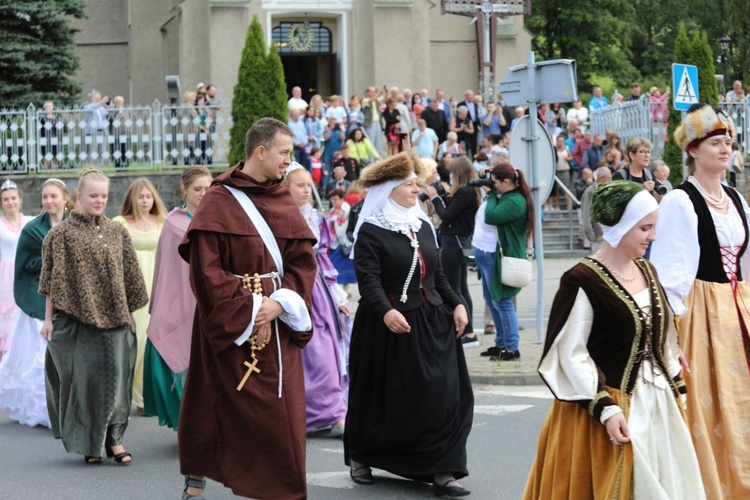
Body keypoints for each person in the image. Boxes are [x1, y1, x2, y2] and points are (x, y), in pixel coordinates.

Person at [524, 180, 704, 499]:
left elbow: (662, 336)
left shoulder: (647, 270)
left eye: (653, 227)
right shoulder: (581, 280)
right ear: (620, 227)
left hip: (658, 405)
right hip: (607, 409)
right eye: (645, 228)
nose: (653, 236)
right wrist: (605, 409)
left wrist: (678, 381)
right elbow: (569, 352)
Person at [177, 118, 317, 499]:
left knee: (280, 414)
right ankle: (197, 483)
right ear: (261, 151)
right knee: (217, 404)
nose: (289, 160)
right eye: (284, 152)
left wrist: (278, 304)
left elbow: (303, 263)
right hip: (230, 322)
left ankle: (281, 491)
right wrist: (254, 310)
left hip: (278, 324)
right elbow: (206, 271)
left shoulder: (281, 198)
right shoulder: (220, 201)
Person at [345, 152, 473, 497]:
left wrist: (457, 303)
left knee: (445, 394)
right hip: (387, 324)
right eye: (409, 183)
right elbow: (368, 279)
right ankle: (361, 455)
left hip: (432, 320)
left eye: (416, 182)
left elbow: (439, 275)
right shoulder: (372, 230)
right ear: (389, 188)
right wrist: (386, 311)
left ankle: (442, 469)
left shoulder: (424, 225)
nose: (416, 188)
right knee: (379, 395)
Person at [650, 104, 750, 499]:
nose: (725, 149)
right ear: (693, 150)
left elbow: (745, 262)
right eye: (715, 142)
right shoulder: (680, 200)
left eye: (728, 142)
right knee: (709, 409)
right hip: (701, 315)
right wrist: (669, 338)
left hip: (738, 306)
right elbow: (670, 274)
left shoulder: (736, 199)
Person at [40, 168, 149, 465]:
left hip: (115, 318)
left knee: (116, 379)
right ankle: (91, 442)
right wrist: (48, 320)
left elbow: (129, 276)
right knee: (85, 382)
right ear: (78, 196)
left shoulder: (117, 231)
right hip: (76, 320)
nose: (100, 201)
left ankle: (115, 440)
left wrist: (128, 312)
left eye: (104, 195)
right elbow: (50, 281)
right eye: (93, 195)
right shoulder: (59, 234)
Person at [143, 165, 212, 431]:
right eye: (197, 189)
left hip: (209, 297)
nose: (204, 194)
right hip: (181, 298)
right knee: (186, 363)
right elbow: (168, 269)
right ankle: (191, 423)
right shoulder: (174, 223)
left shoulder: (218, 217)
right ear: (184, 190)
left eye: (208, 189)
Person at [284, 164, 349, 437]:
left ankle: (335, 414)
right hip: (289, 289)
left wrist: (337, 296)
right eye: (299, 185)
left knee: (325, 352)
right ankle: (301, 415)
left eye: (308, 185)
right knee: (298, 357)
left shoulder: (316, 219)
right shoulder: (277, 218)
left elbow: (323, 259)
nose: (306, 190)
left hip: (317, 291)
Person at [0, 179, 71, 428]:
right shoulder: (32, 230)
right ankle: (43, 408)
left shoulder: (73, 224)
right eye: (45, 197)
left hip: (69, 297)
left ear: (65, 198)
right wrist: (49, 261)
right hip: (38, 296)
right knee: (42, 353)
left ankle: (69, 405)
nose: (49, 201)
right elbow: (25, 263)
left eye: (53, 196)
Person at [112, 178, 166, 412]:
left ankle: (149, 397)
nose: (145, 201)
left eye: (148, 196)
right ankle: (134, 395)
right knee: (138, 341)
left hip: (159, 285)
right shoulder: (120, 223)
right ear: (132, 199)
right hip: (133, 288)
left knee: (156, 341)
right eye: (140, 197)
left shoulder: (163, 221)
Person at [426, 156, 481, 347]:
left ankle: (465, 331)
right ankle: (470, 332)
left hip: (453, 243)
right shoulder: (469, 191)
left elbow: (446, 216)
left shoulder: (464, 193)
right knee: (462, 288)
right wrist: (443, 197)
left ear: (457, 173)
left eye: (451, 173)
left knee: (454, 288)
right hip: (461, 243)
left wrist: (434, 198)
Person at [483, 164, 534, 360]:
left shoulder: (514, 201)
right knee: (495, 301)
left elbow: (491, 216)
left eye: (495, 182)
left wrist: (489, 196)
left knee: (504, 303)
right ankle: (501, 343)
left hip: (508, 257)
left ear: (506, 182)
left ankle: (512, 348)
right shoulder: (511, 197)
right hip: (502, 255)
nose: (492, 185)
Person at [0, 180, 32, 361]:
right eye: (6, 199)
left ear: (20, 200)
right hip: (5, 277)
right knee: (7, 316)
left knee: (25, 316)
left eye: (13, 198)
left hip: (26, 273)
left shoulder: (30, 221)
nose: (10, 202)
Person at [326, 189, 356, 293]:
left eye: (335, 199)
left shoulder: (345, 210)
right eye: (332, 199)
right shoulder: (332, 210)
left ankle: (344, 289)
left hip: (342, 242)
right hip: (334, 242)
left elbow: (341, 229)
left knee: (340, 266)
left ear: (342, 199)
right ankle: (341, 290)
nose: (333, 201)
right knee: (336, 265)